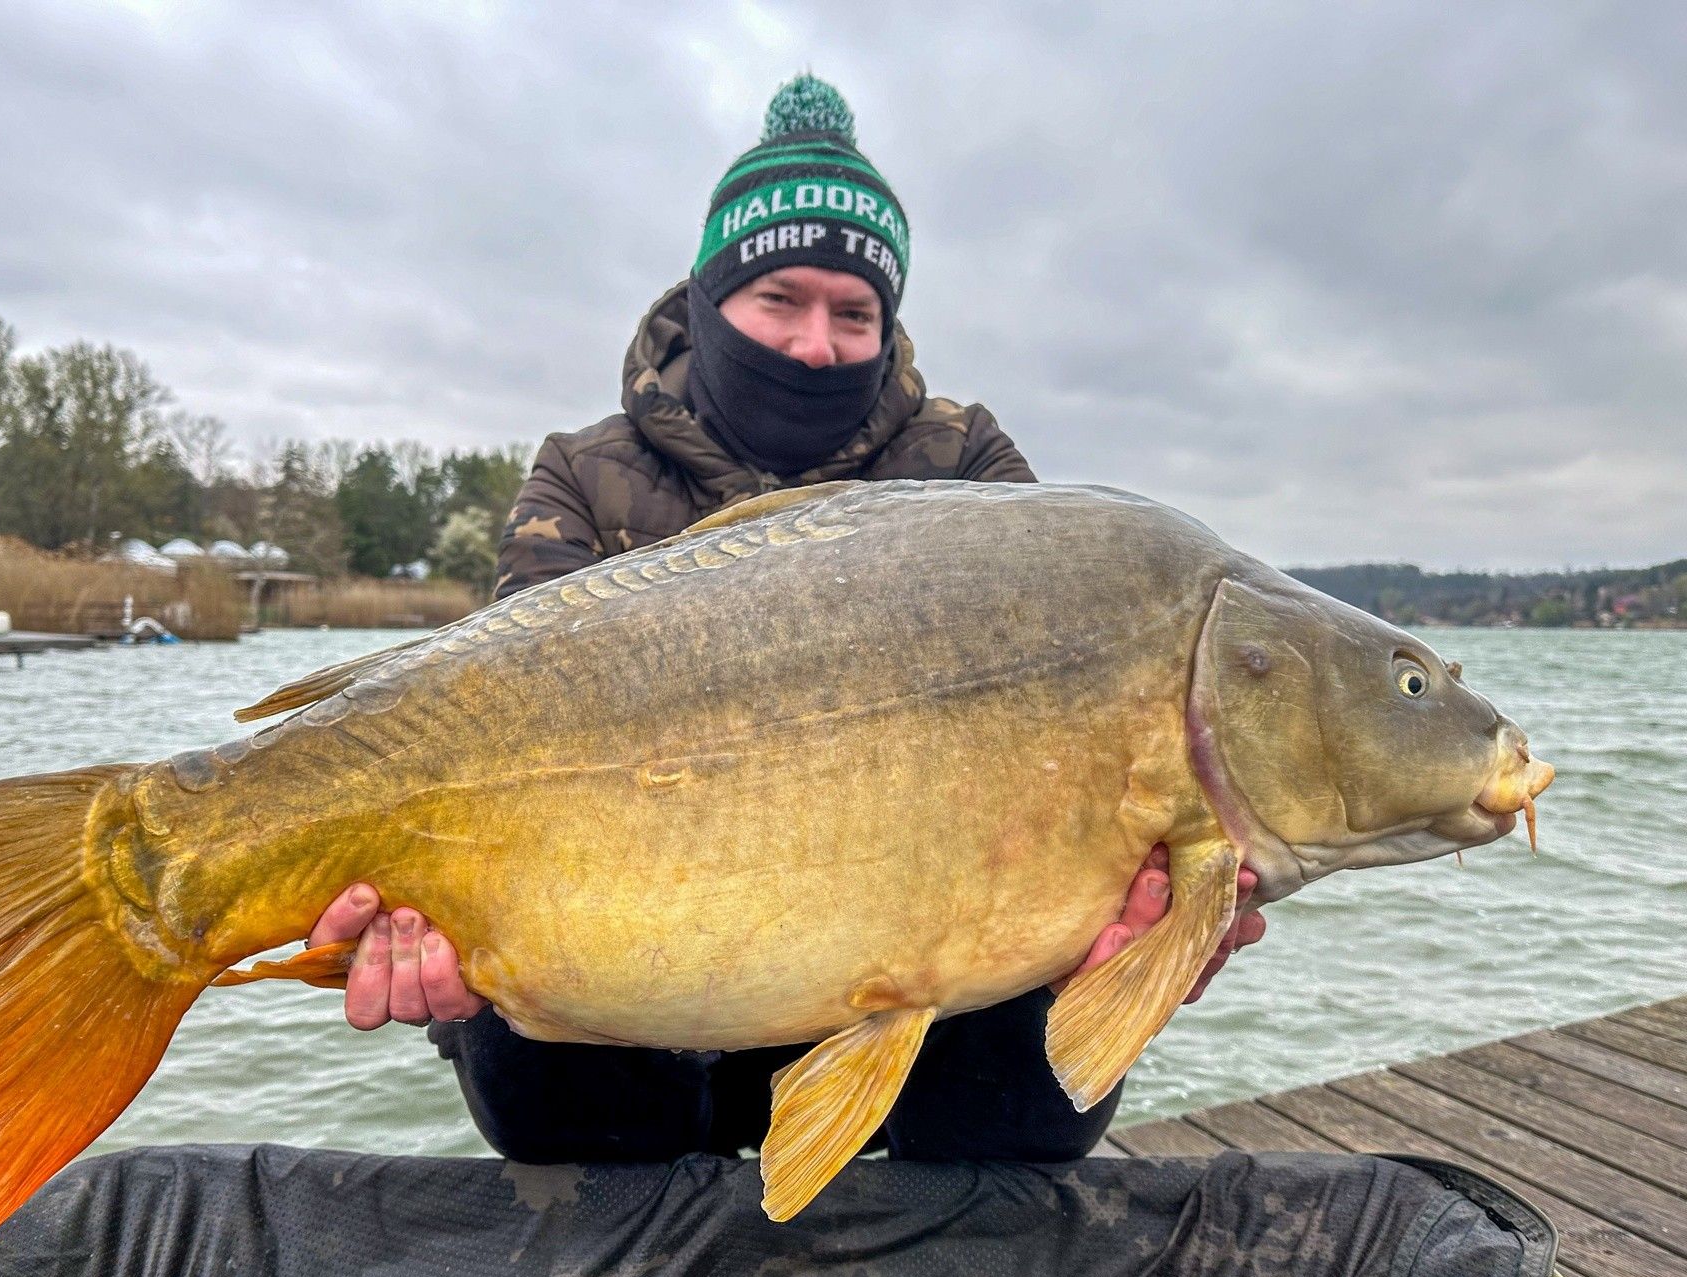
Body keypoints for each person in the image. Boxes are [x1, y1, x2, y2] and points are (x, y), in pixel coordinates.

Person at [308, 75, 1267, 1164]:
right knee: (522, 1044)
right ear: (709, 301)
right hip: (641, 979)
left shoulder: (972, 474)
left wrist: (1135, 928)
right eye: (780, 300)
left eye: (855, 312)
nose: (817, 344)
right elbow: (490, 716)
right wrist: (427, 924)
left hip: (927, 979)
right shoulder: (583, 471)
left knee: (1036, 1083)